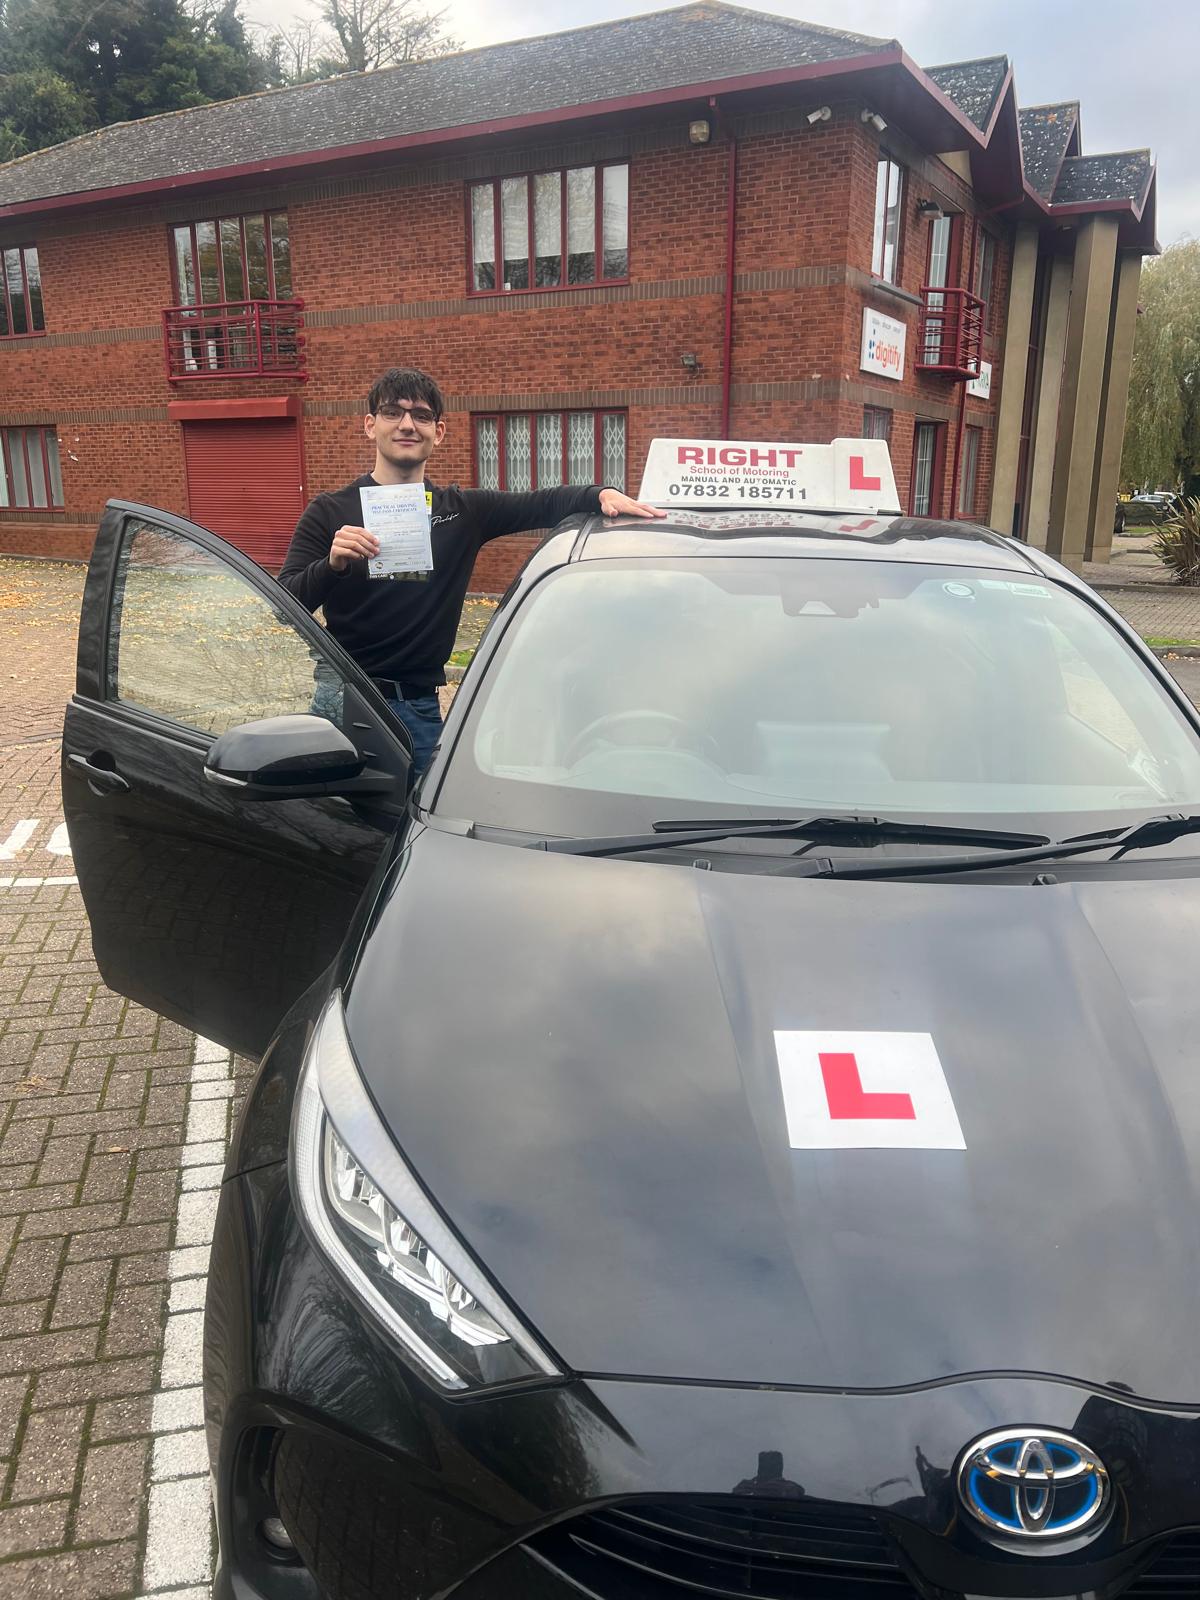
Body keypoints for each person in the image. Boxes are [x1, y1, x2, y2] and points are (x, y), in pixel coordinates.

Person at [278, 367, 663, 772]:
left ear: (439, 432)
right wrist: (332, 565)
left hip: (416, 709)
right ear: (370, 425)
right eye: (393, 413)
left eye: (421, 416)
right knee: (324, 808)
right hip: (342, 698)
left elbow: (543, 503)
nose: (407, 425)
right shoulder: (329, 511)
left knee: (420, 810)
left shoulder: (462, 512)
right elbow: (286, 605)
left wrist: (600, 493)